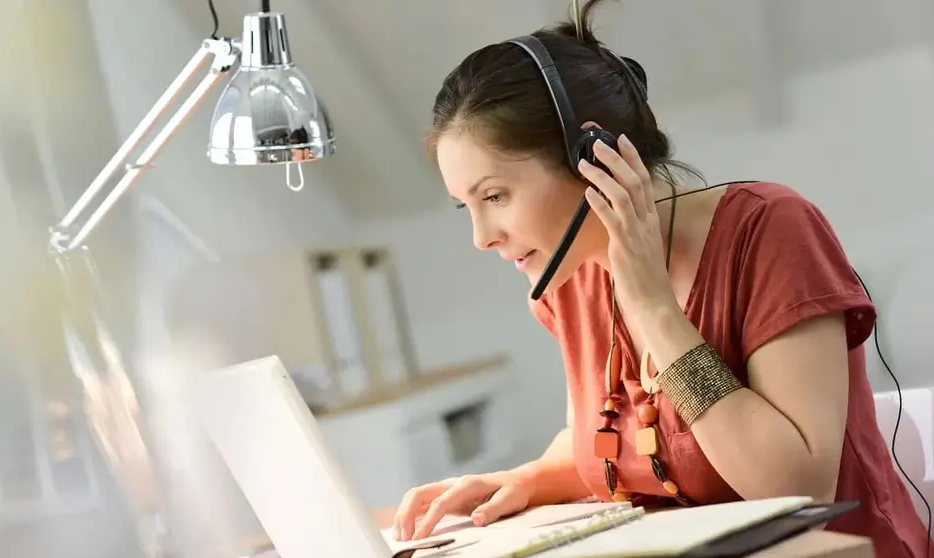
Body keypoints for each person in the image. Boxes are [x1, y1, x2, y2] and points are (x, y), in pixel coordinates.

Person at [390, 1, 932, 556]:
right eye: (467, 207)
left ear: (593, 157)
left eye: (496, 196)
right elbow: (625, 441)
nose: (482, 236)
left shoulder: (770, 231)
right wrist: (528, 479)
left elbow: (795, 486)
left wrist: (653, 309)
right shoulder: (571, 278)